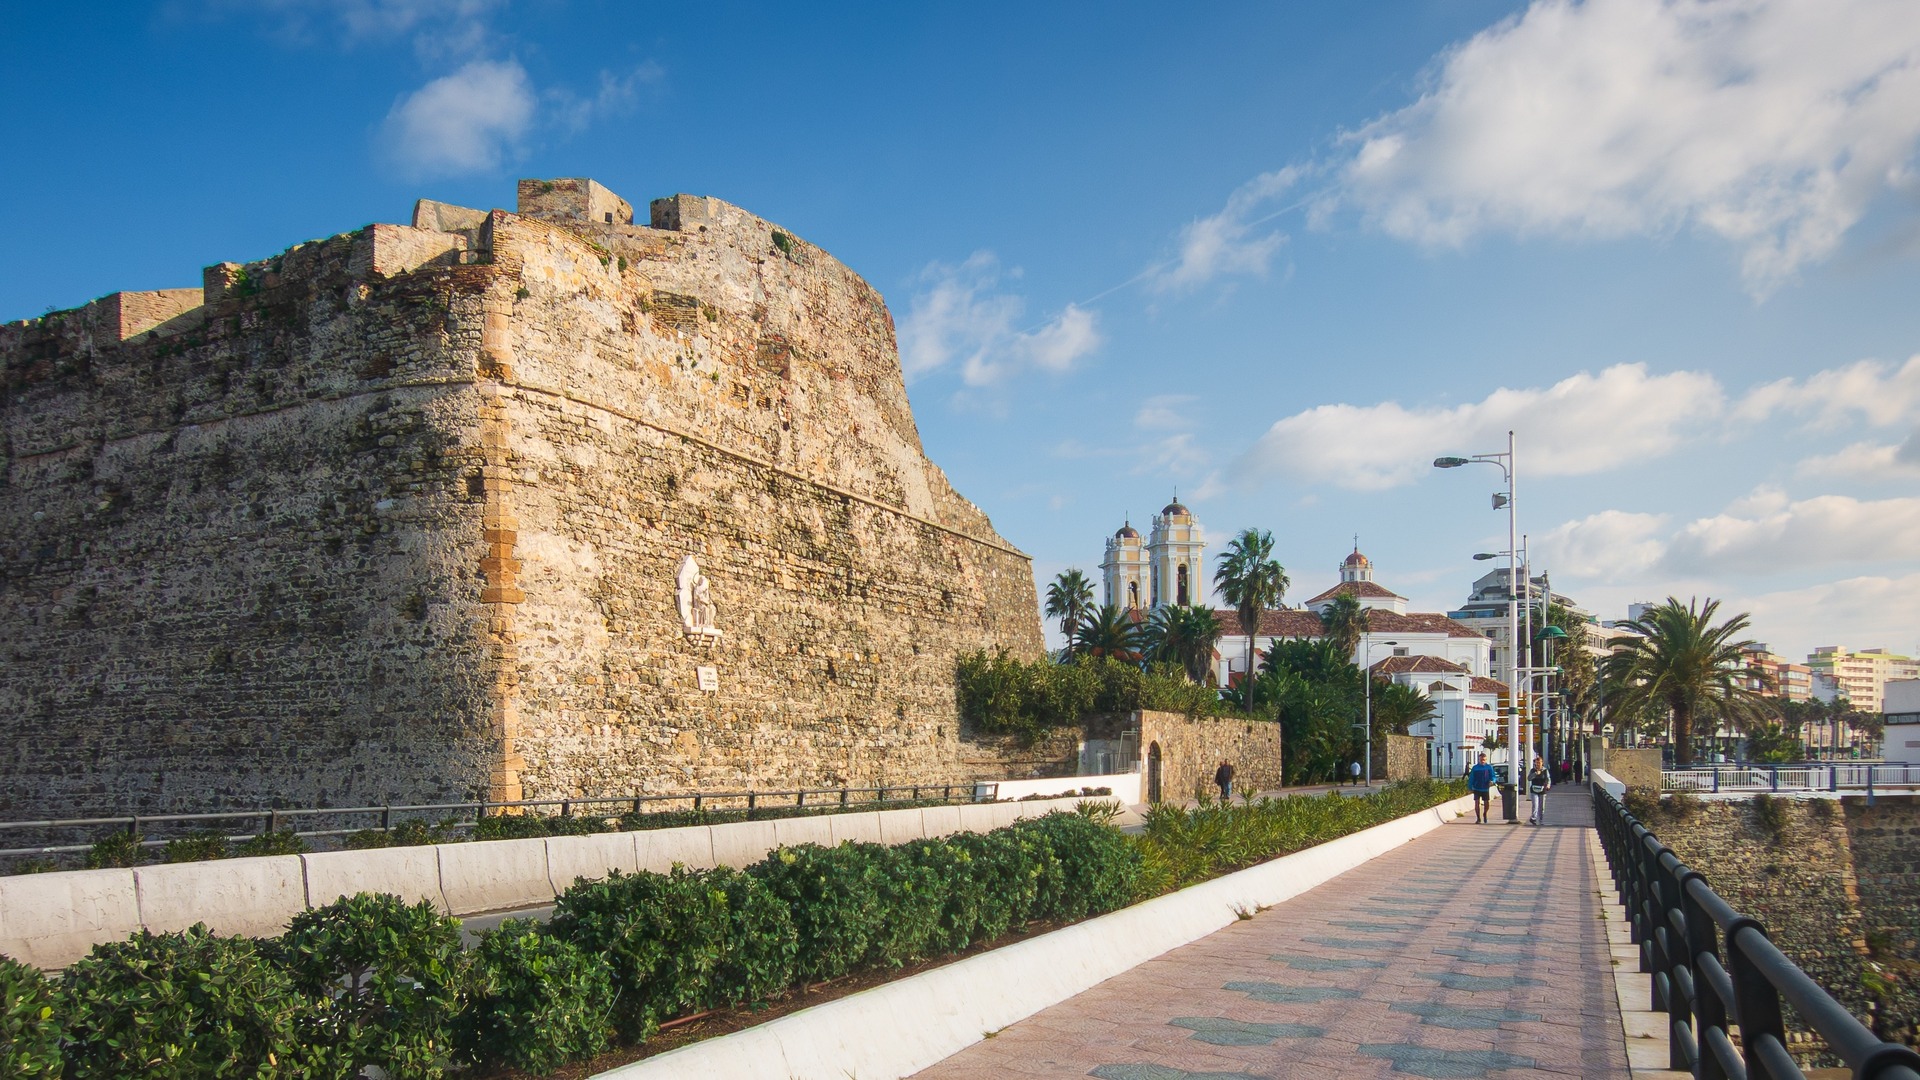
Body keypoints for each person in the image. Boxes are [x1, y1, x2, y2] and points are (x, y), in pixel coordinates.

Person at [1468, 753, 1496, 824]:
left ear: (1486, 760)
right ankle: (1478, 818)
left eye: (1484, 760)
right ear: (1479, 760)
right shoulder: (1475, 768)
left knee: (1486, 803)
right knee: (1477, 803)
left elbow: (1493, 776)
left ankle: (1485, 814)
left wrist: (1492, 781)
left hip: (1485, 788)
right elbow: (1471, 778)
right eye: (1481, 760)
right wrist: (1470, 787)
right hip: (1477, 788)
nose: (1482, 761)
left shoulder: (1489, 767)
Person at [1528, 755, 1552, 825]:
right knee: (1535, 805)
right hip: (1534, 790)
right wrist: (1535, 774)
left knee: (1541, 806)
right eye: (1536, 763)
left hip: (1542, 790)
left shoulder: (1545, 770)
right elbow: (1529, 778)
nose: (1538, 764)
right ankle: (1534, 818)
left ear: (1542, 763)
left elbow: (1548, 779)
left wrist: (1548, 785)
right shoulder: (1533, 770)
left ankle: (1541, 820)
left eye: (1539, 763)